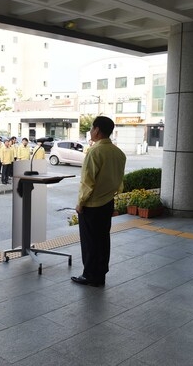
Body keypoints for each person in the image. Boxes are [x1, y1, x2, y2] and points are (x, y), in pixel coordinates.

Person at [72, 116, 126, 287]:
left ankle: (89, 275)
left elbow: (88, 182)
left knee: (90, 241)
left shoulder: (95, 152)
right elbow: (119, 182)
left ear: (97, 130)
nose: (90, 131)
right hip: (107, 203)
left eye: (92, 128)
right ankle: (100, 274)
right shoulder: (118, 153)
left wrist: (81, 203)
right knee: (103, 240)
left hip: (92, 205)